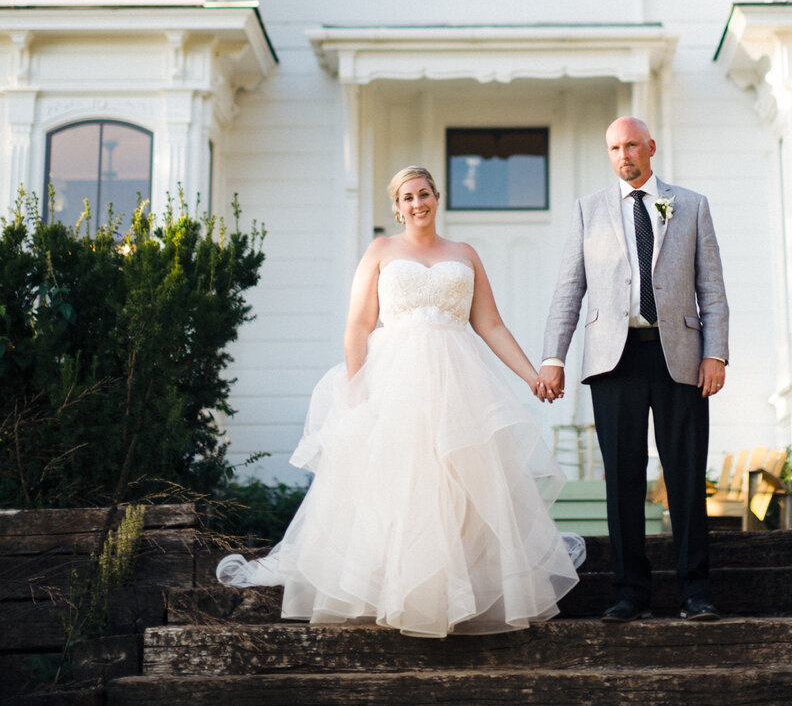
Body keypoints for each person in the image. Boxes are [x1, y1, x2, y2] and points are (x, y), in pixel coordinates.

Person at [217, 165, 581, 638]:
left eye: (424, 194)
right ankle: (397, 590)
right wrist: (357, 386)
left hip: (458, 379)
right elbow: (357, 325)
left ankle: (458, 592)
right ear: (397, 206)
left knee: (461, 484)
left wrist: (532, 374)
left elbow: (490, 324)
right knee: (398, 484)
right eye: (407, 197)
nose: (417, 204)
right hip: (395, 379)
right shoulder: (381, 251)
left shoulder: (464, 254)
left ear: (436, 197)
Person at [539, 117, 729, 623]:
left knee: (685, 474)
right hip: (612, 358)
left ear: (650, 147)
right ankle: (629, 591)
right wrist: (553, 357)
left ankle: (695, 592)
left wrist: (716, 353)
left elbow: (711, 287)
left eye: (631, 145)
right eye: (614, 147)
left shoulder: (690, 205)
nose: (624, 154)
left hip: (681, 355)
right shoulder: (588, 210)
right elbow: (568, 290)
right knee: (622, 477)